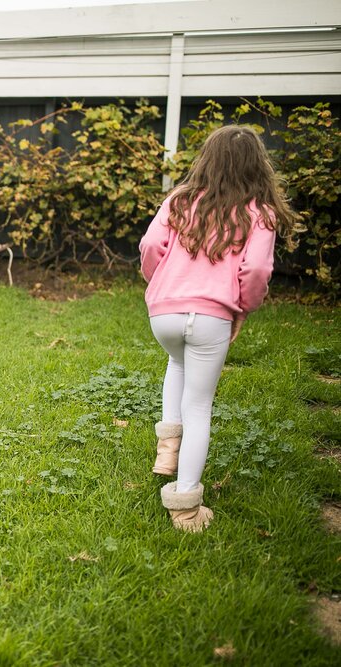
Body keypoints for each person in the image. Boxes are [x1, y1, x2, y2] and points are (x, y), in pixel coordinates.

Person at [139, 125, 297, 532]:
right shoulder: (259, 213)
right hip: (211, 316)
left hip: (165, 314)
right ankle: (186, 507)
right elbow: (258, 269)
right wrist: (243, 307)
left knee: (176, 363)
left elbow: (150, 247)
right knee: (200, 405)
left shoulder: (179, 200)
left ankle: (167, 448)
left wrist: (158, 283)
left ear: (206, 159)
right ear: (257, 166)